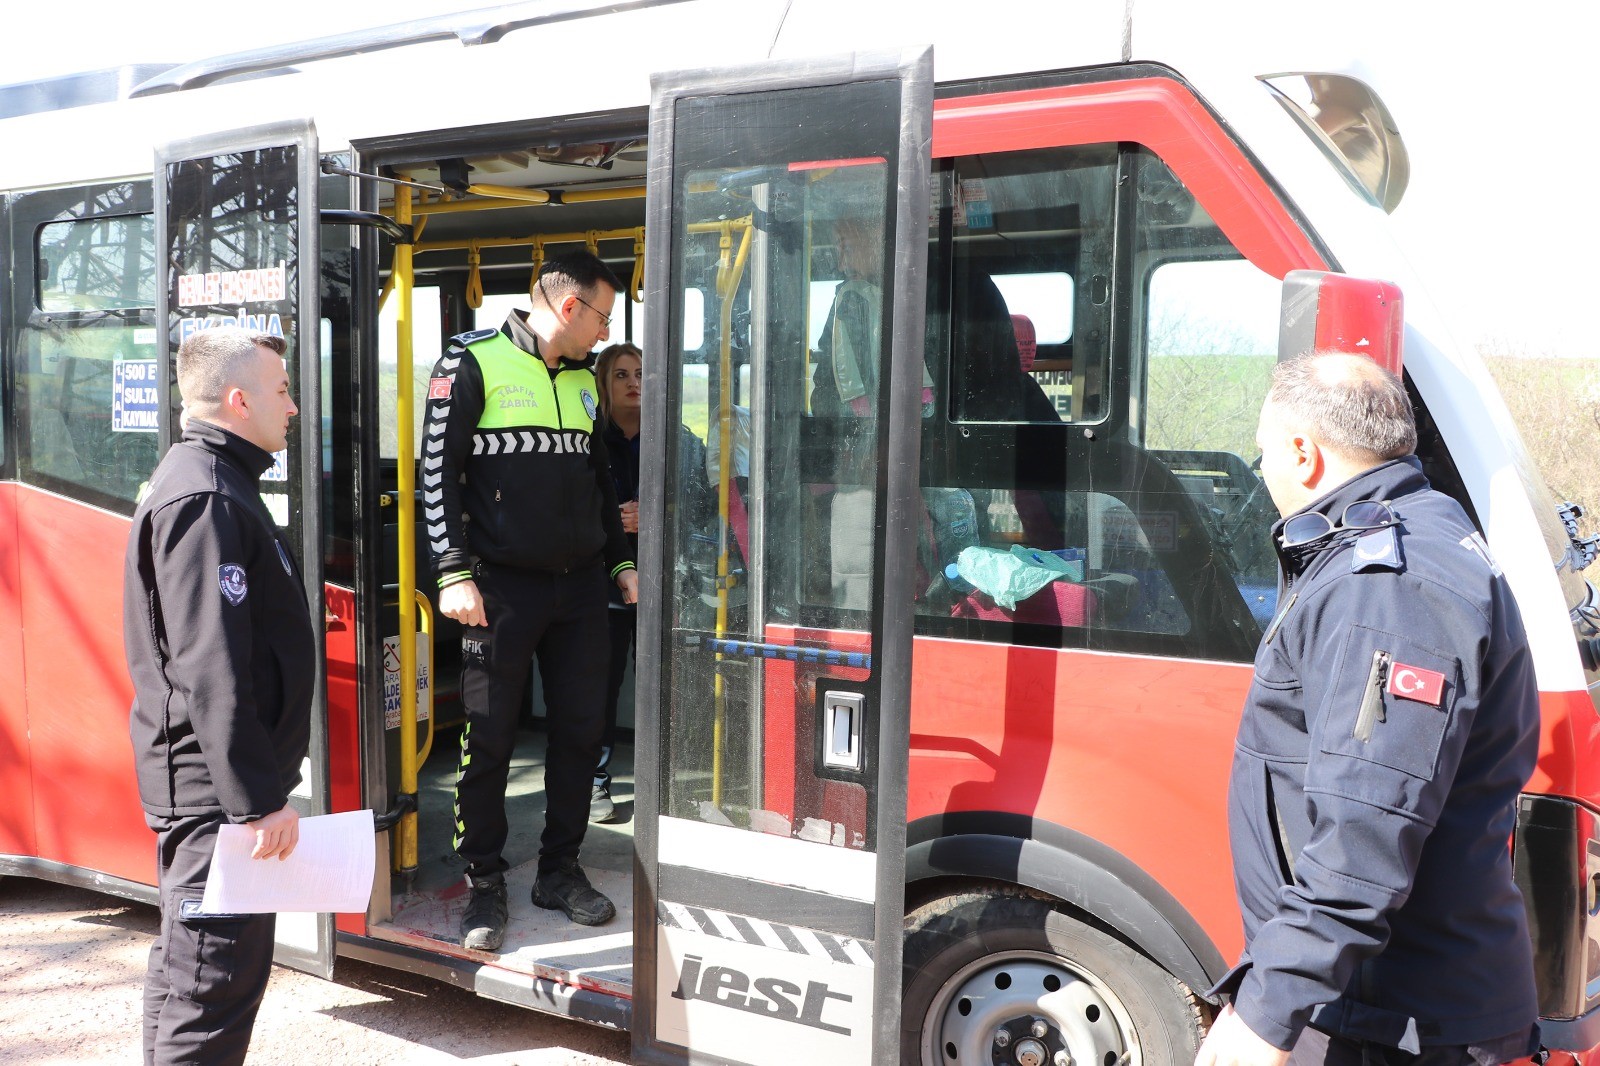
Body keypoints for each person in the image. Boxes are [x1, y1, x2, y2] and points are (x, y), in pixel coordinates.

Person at [1197, 352, 1540, 1066]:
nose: (1263, 472)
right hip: (1392, 1005)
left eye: (1263, 453)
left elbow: (1366, 831)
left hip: (1403, 1024)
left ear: (1303, 453)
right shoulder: (1420, 531)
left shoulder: (1389, 586)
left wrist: (1264, 1015)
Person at [422, 251, 637, 950]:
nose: (605, 333)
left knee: (581, 733)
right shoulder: (471, 361)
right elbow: (438, 476)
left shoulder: (581, 381)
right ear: (570, 308)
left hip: (579, 590)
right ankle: (483, 882)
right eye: (603, 315)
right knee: (488, 740)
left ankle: (559, 869)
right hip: (497, 590)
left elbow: (599, 482)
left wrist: (622, 564)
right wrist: (452, 573)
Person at [123, 326, 316, 1066]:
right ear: (238, 400)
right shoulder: (205, 496)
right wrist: (255, 802)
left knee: (188, 976)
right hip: (213, 799)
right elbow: (214, 666)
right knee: (211, 985)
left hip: (212, 793)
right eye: (280, 390)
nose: (291, 407)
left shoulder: (215, 480)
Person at [588, 342, 711, 823]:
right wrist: (612, 524)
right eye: (621, 375)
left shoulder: (679, 441)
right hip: (603, 585)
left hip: (667, 583)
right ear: (603, 384)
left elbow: (704, 508)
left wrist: (656, 516)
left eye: (641, 372)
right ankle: (596, 785)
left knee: (666, 688)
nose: (633, 382)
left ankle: (667, 786)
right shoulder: (588, 439)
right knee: (600, 688)